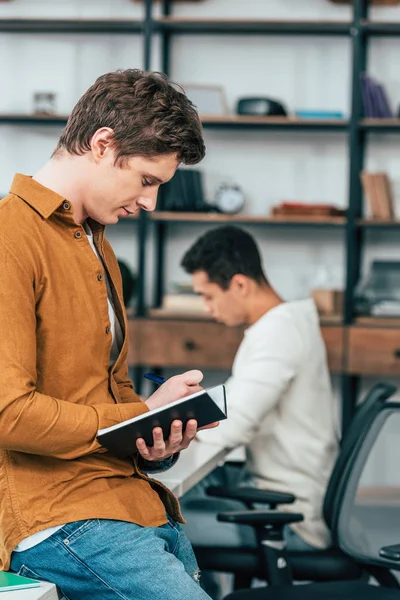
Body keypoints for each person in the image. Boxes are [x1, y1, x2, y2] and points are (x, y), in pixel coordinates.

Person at [0, 68, 217, 600]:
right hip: (62, 517)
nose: (150, 204)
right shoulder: (10, 237)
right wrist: (135, 416)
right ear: (103, 145)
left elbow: (105, 394)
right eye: (147, 181)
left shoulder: (97, 245)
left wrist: (156, 437)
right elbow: (8, 413)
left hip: (130, 504)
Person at [180, 225, 339, 595]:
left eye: (208, 296)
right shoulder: (289, 320)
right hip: (280, 494)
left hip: (291, 520)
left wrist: (170, 420)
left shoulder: (277, 333)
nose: (207, 309)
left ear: (239, 284)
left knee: (152, 526)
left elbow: (233, 425)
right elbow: (235, 401)